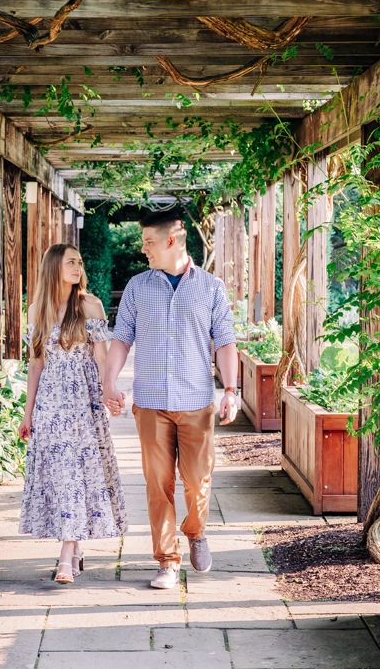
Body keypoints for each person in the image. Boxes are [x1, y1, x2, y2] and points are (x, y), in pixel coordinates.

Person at [103, 209, 239, 590]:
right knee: (157, 484)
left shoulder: (211, 287)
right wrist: (109, 383)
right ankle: (167, 560)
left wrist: (230, 391)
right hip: (150, 403)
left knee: (197, 482)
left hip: (197, 402)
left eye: (148, 242)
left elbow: (225, 342)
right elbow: (121, 340)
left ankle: (196, 531)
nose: (143, 249)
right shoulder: (137, 288)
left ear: (171, 241)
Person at [17, 243, 127, 584]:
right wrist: (27, 414)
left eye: (79, 261)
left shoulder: (90, 305)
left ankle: (66, 555)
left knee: (79, 474)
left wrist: (109, 391)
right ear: (54, 267)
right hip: (50, 404)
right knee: (63, 475)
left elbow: (102, 357)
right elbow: (36, 365)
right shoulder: (37, 310)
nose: (78, 267)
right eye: (70, 262)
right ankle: (74, 548)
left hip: (84, 402)